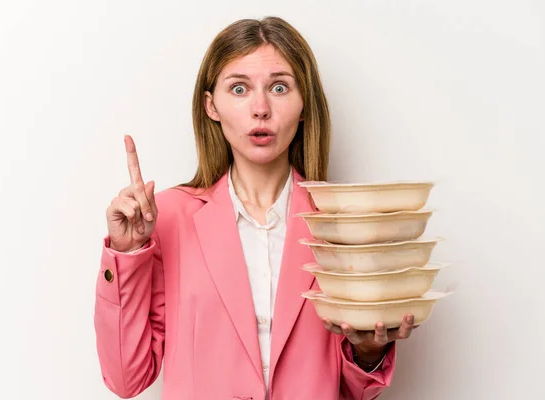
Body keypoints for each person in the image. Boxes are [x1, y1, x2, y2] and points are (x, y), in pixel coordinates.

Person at [94, 16, 416, 400]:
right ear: (211, 106)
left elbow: (354, 390)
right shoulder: (168, 219)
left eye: (279, 87)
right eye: (239, 89)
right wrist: (126, 255)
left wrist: (369, 352)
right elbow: (126, 379)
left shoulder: (342, 220)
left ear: (304, 106)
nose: (260, 108)